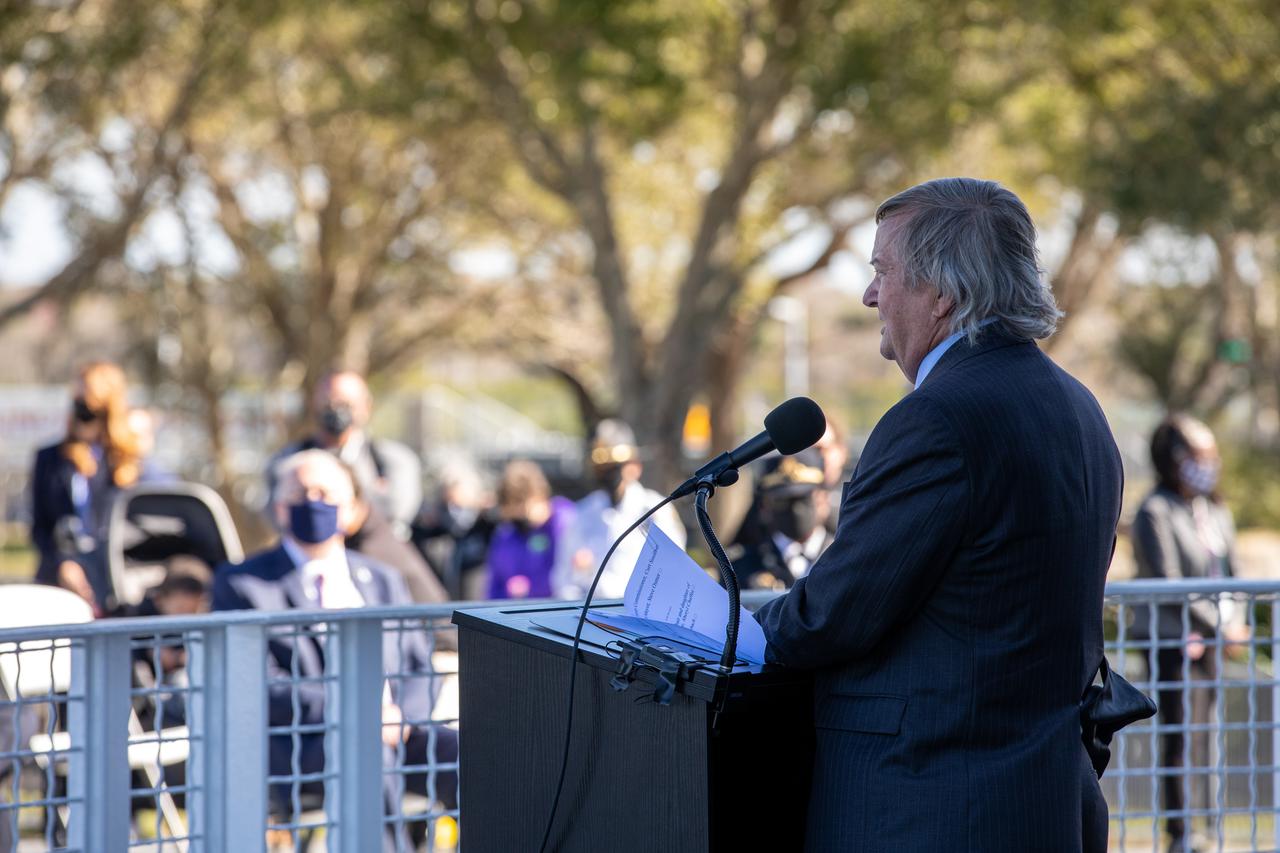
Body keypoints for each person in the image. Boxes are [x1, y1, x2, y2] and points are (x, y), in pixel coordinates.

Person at [753, 178, 1122, 852]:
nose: (870, 295)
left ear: (942, 292)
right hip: (1047, 805)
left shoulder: (936, 419)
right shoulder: (1079, 407)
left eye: (882, 272)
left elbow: (832, 614)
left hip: (933, 810)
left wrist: (729, 624)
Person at [213, 449, 457, 840]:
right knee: (366, 752)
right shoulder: (244, 584)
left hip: (396, 732)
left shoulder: (383, 580)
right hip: (303, 745)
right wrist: (357, 713)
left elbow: (419, 666)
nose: (314, 503)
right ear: (279, 507)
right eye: (301, 493)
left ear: (353, 509)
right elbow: (257, 682)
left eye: (326, 494)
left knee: (478, 757)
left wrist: (402, 718)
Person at [1132, 414, 1249, 853]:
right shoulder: (1154, 511)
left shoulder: (1213, 509)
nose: (1209, 463)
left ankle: (1209, 827)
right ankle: (1181, 834)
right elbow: (1170, 583)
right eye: (1200, 455)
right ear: (1174, 459)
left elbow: (1233, 573)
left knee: (1207, 735)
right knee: (1179, 736)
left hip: (1213, 643)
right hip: (1169, 642)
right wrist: (1221, 625)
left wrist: (1234, 619)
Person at [30, 362, 143, 614]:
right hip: (61, 582)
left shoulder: (129, 462)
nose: (82, 409)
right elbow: (40, 527)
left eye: (88, 401)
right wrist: (64, 563)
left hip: (116, 581)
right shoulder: (50, 459)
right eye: (77, 400)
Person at [268, 370, 422, 541]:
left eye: (345, 403)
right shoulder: (288, 461)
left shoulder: (393, 460)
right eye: (328, 402)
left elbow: (395, 511)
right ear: (314, 404)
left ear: (366, 407)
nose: (336, 409)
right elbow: (276, 513)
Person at [554, 420, 687, 600]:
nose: (607, 474)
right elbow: (563, 579)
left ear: (635, 467)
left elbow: (674, 569)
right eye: (601, 468)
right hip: (589, 615)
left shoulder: (655, 510)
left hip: (639, 615)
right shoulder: (582, 513)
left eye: (614, 467)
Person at [729, 450, 833, 590]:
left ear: (823, 499)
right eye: (781, 501)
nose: (795, 509)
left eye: (804, 499)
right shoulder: (739, 569)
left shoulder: (845, 556)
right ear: (764, 506)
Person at [486, 460, 574, 600]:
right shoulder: (507, 533)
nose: (518, 516)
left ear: (537, 496)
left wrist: (530, 588)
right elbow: (494, 584)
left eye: (520, 506)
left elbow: (568, 576)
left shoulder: (565, 521)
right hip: (510, 613)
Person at [413, 460, 497, 599]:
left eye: (461, 505)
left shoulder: (489, 529)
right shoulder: (432, 537)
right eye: (449, 504)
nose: (454, 511)